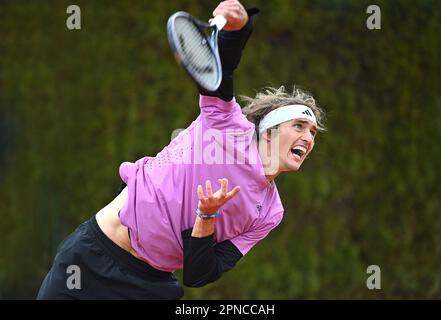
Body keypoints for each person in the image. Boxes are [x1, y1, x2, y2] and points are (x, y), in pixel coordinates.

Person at [37, 0, 326, 300]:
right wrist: (239, 29)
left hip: (148, 288)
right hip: (91, 257)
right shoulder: (227, 125)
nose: (308, 137)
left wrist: (206, 216)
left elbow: (201, 273)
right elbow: (219, 74)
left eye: (313, 133)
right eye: (299, 126)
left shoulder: (270, 212)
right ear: (270, 130)